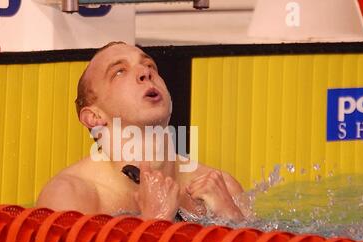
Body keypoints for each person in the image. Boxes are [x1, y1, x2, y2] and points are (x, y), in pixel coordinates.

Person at [36, 41, 245, 223]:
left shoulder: (222, 187)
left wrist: (231, 218)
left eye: (149, 65)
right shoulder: (70, 196)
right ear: (94, 117)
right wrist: (154, 220)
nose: (146, 73)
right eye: (119, 72)